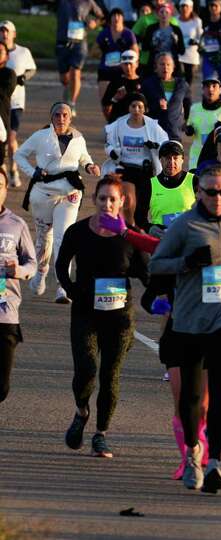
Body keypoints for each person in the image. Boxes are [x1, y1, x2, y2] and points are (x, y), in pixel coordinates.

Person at [149, 165, 221, 492]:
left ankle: (215, 463)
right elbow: (155, 264)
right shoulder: (184, 225)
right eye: (211, 192)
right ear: (200, 192)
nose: (218, 198)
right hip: (190, 321)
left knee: (219, 393)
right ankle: (193, 452)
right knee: (191, 399)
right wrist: (186, 263)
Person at [59, 176, 149, 458]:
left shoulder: (130, 235)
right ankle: (81, 410)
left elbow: (145, 274)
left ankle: (101, 434)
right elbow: (62, 265)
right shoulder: (78, 232)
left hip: (119, 316)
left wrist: (159, 297)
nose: (107, 204)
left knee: (111, 376)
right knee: (85, 370)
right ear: (94, 200)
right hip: (86, 313)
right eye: (102, 198)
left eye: (113, 199)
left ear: (122, 202)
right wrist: (74, 291)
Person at [15, 103, 100, 302]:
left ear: (70, 118)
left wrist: (89, 166)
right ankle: (41, 272)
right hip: (43, 193)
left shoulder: (78, 137)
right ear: (51, 117)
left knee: (63, 237)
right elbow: (19, 154)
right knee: (44, 238)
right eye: (57, 115)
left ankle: (63, 286)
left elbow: (83, 156)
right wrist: (33, 172)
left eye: (65, 115)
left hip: (69, 192)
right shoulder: (40, 136)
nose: (61, 118)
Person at [103, 93, 169, 228]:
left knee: (141, 209)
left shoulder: (152, 126)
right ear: (129, 108)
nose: (136, 110)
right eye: (133, 106)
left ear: (145, 109)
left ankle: (137, 230)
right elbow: (108, 143)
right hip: (126, 169)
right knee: (128, 201)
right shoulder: (119, 124)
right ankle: (128, 227)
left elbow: (165, 143)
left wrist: (155, 146)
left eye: (140, 106)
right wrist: (112, 153)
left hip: (146, 170)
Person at [0, 168, 36, 404]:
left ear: (5, 190)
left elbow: (31, 263)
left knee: (1, 387)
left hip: (5, 312)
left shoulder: (16, 224)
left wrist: (19, 271)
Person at [1, 21, 36, 188]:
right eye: (1, 31)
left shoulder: (23, 52)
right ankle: (6, 171)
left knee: (11, 138)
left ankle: (13, 169)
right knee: (5, 140)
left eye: (7, 31)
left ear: (14, 34)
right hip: (2, 104)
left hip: (15, 102)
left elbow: (32, 69)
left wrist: (23, 78)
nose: (4, 34)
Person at [56, 0, 103, 110]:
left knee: (76, 72)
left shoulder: (89, 2)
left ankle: (72, 103)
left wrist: (95, 23)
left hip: (79, 42)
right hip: (63, 41)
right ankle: (68, 92)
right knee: (64, 78)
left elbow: (101, 16)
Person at [142, 53, 191, 142]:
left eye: (168, 64)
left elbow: (188, 103)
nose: (165, 67)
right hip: (154, 133)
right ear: (155, 67)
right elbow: (142, 106)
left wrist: (187, 121)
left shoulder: (182, 84)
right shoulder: (148, 84)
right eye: (162, 64)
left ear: (173, 67)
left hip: (175, 133)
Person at [185, 76, 221, 169]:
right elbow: (190, 130)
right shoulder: (194, 108)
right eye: (207, 86)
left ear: (220, 90)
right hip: (197, 157)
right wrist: (189, 130)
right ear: (202, 89)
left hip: (218, 158)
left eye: (214, 86)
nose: (210, 89)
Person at [95, 9, 137, 100]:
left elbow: (135, 53)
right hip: (105, 69)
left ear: (123, 19)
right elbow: (93, 51)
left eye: (119, 15)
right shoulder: (104, 33)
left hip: (122, 70)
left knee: (121, 100)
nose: (116, 18)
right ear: (110, 19)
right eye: (114, 16)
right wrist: (101, 50)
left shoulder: (128, 34)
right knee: (105, 101)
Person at [141, 2, 185, 76]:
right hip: (154, 65)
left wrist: (176, 42)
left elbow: (182, 51)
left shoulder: (176, 29)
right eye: (161, 12)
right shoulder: (151, 29)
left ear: (171, 15)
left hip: (171, 65)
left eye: (167, 12)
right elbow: (144, 47)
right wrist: (152, 42)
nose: (164, 14)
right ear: (158, 15)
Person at [200, 0, 221, 93]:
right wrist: (199, 45)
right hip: (208, 56)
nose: (213, 8)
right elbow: (199, 36)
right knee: (207, 82)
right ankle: (207, 105)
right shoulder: (204, 21)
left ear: (220, 7)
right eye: (211, 5)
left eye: (216, 5)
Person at [101, 50, 144, 123]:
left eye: (130, 64)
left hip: (138, 124)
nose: (128, 67)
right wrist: (115, 98)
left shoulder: (143, 82)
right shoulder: (116, 82)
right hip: (119, 121)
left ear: (137, 63)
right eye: (125, 64)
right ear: (121, 65)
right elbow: (105, 106)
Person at [176, 0, 203, 87]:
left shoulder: (197, 21)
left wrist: (196, 41)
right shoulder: (175, 20)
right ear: (179, 8)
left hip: (191, 54)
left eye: (186, 6)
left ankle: (187, 98)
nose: (184, 8)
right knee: (178, 77)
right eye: (182, 6)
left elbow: (201, 36)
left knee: (189, 80)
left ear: (191, 8)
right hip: (178, 53)